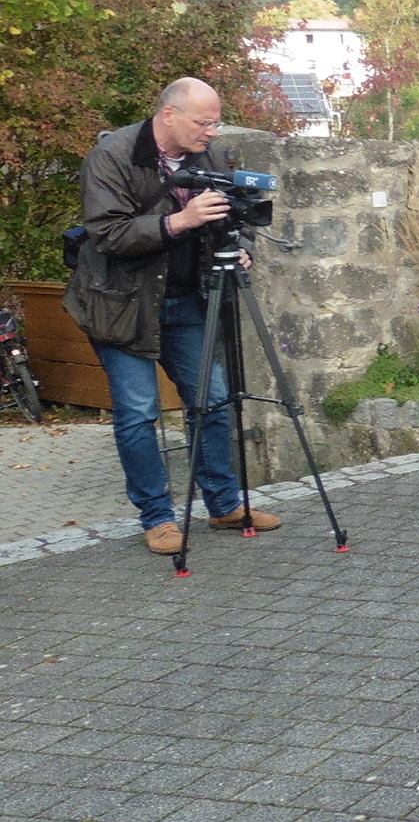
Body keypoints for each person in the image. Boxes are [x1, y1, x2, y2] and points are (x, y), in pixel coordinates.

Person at [63, 78, 282, 556]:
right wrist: (180, 220)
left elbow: (236, 216)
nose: (212, 132)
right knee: (139, 412)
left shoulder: (208, 156)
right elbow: (107, 234)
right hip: (119, 304)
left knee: (214, 401)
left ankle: (224, 505)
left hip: (186, 301)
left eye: (216, 122)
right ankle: (158, 518)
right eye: (204, 122)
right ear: (169, 115)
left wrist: (240, 248)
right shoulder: (113, 155)